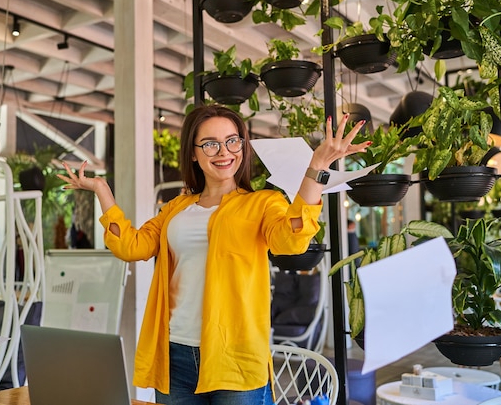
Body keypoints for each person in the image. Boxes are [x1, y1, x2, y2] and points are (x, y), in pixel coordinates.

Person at [58, 105, 369, 405]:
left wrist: (315, 169)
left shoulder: (262, 204)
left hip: (236, 357)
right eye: (210, 144)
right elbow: (131, 246)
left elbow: (292, 240)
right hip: (175, 353)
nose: (224, 152)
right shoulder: (175, 209)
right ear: (193, 153)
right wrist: (102, 190)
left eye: (232, 141)